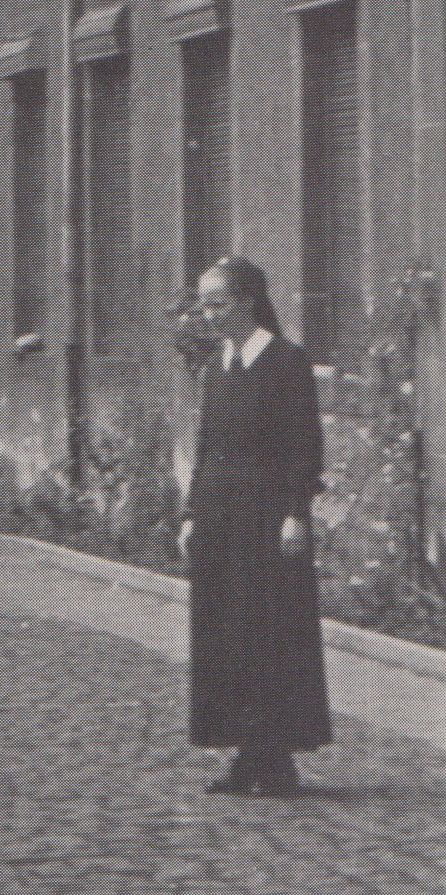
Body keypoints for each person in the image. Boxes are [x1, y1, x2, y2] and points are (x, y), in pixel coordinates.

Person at [180, 255, 333, 798]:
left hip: (269, 521)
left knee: (269, 633)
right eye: (203, 306)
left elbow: (304, 444)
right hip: (220, 520)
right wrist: (191, 514)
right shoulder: (217, 366)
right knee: (226, 635)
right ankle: (247, 755)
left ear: (247, 302)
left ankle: (274, 758)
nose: (208, 315)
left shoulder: (286, 362)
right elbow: (206, 446)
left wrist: (296, 512)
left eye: (217, 305)